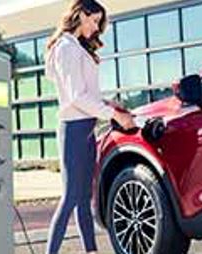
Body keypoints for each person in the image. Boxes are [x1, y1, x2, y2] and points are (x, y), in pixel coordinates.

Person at [44, 0, 135, 253]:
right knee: (71, 197)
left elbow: (85, 94)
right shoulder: (65, 47)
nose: (96, 27)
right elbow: (75, 97)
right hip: (73, 130)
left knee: (85, 199)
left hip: (85, 129)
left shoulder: (76, 47)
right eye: (94, 20)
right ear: (81, 15)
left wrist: (108, 103)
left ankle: (91, 251)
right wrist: (114, 116)